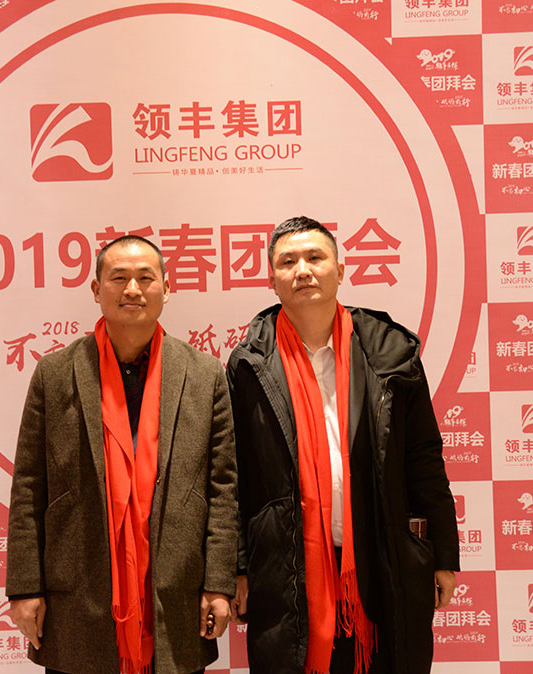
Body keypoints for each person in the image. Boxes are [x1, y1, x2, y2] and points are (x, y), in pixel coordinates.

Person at [227, 217, 458, 674]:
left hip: (383, 556)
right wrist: (237, 567)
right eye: (288, 262)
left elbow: (424, 459)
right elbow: (235, 475)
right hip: (287, 566)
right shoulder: (249, 364)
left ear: (340, 270)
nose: (303, 270)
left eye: (315, 257)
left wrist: (443, 556)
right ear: (272, 280)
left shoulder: (390, 351)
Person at [6, 235, 237, 674]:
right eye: (119, 278)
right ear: (97, 290)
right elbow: (29, 487)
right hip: (79, 593)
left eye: (146, 278)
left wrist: (219, 583)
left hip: (176, 590)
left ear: (166, 288)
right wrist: (24, 587)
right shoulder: (56, 374)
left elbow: (222, 489)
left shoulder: (203, 374)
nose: (133, 289)